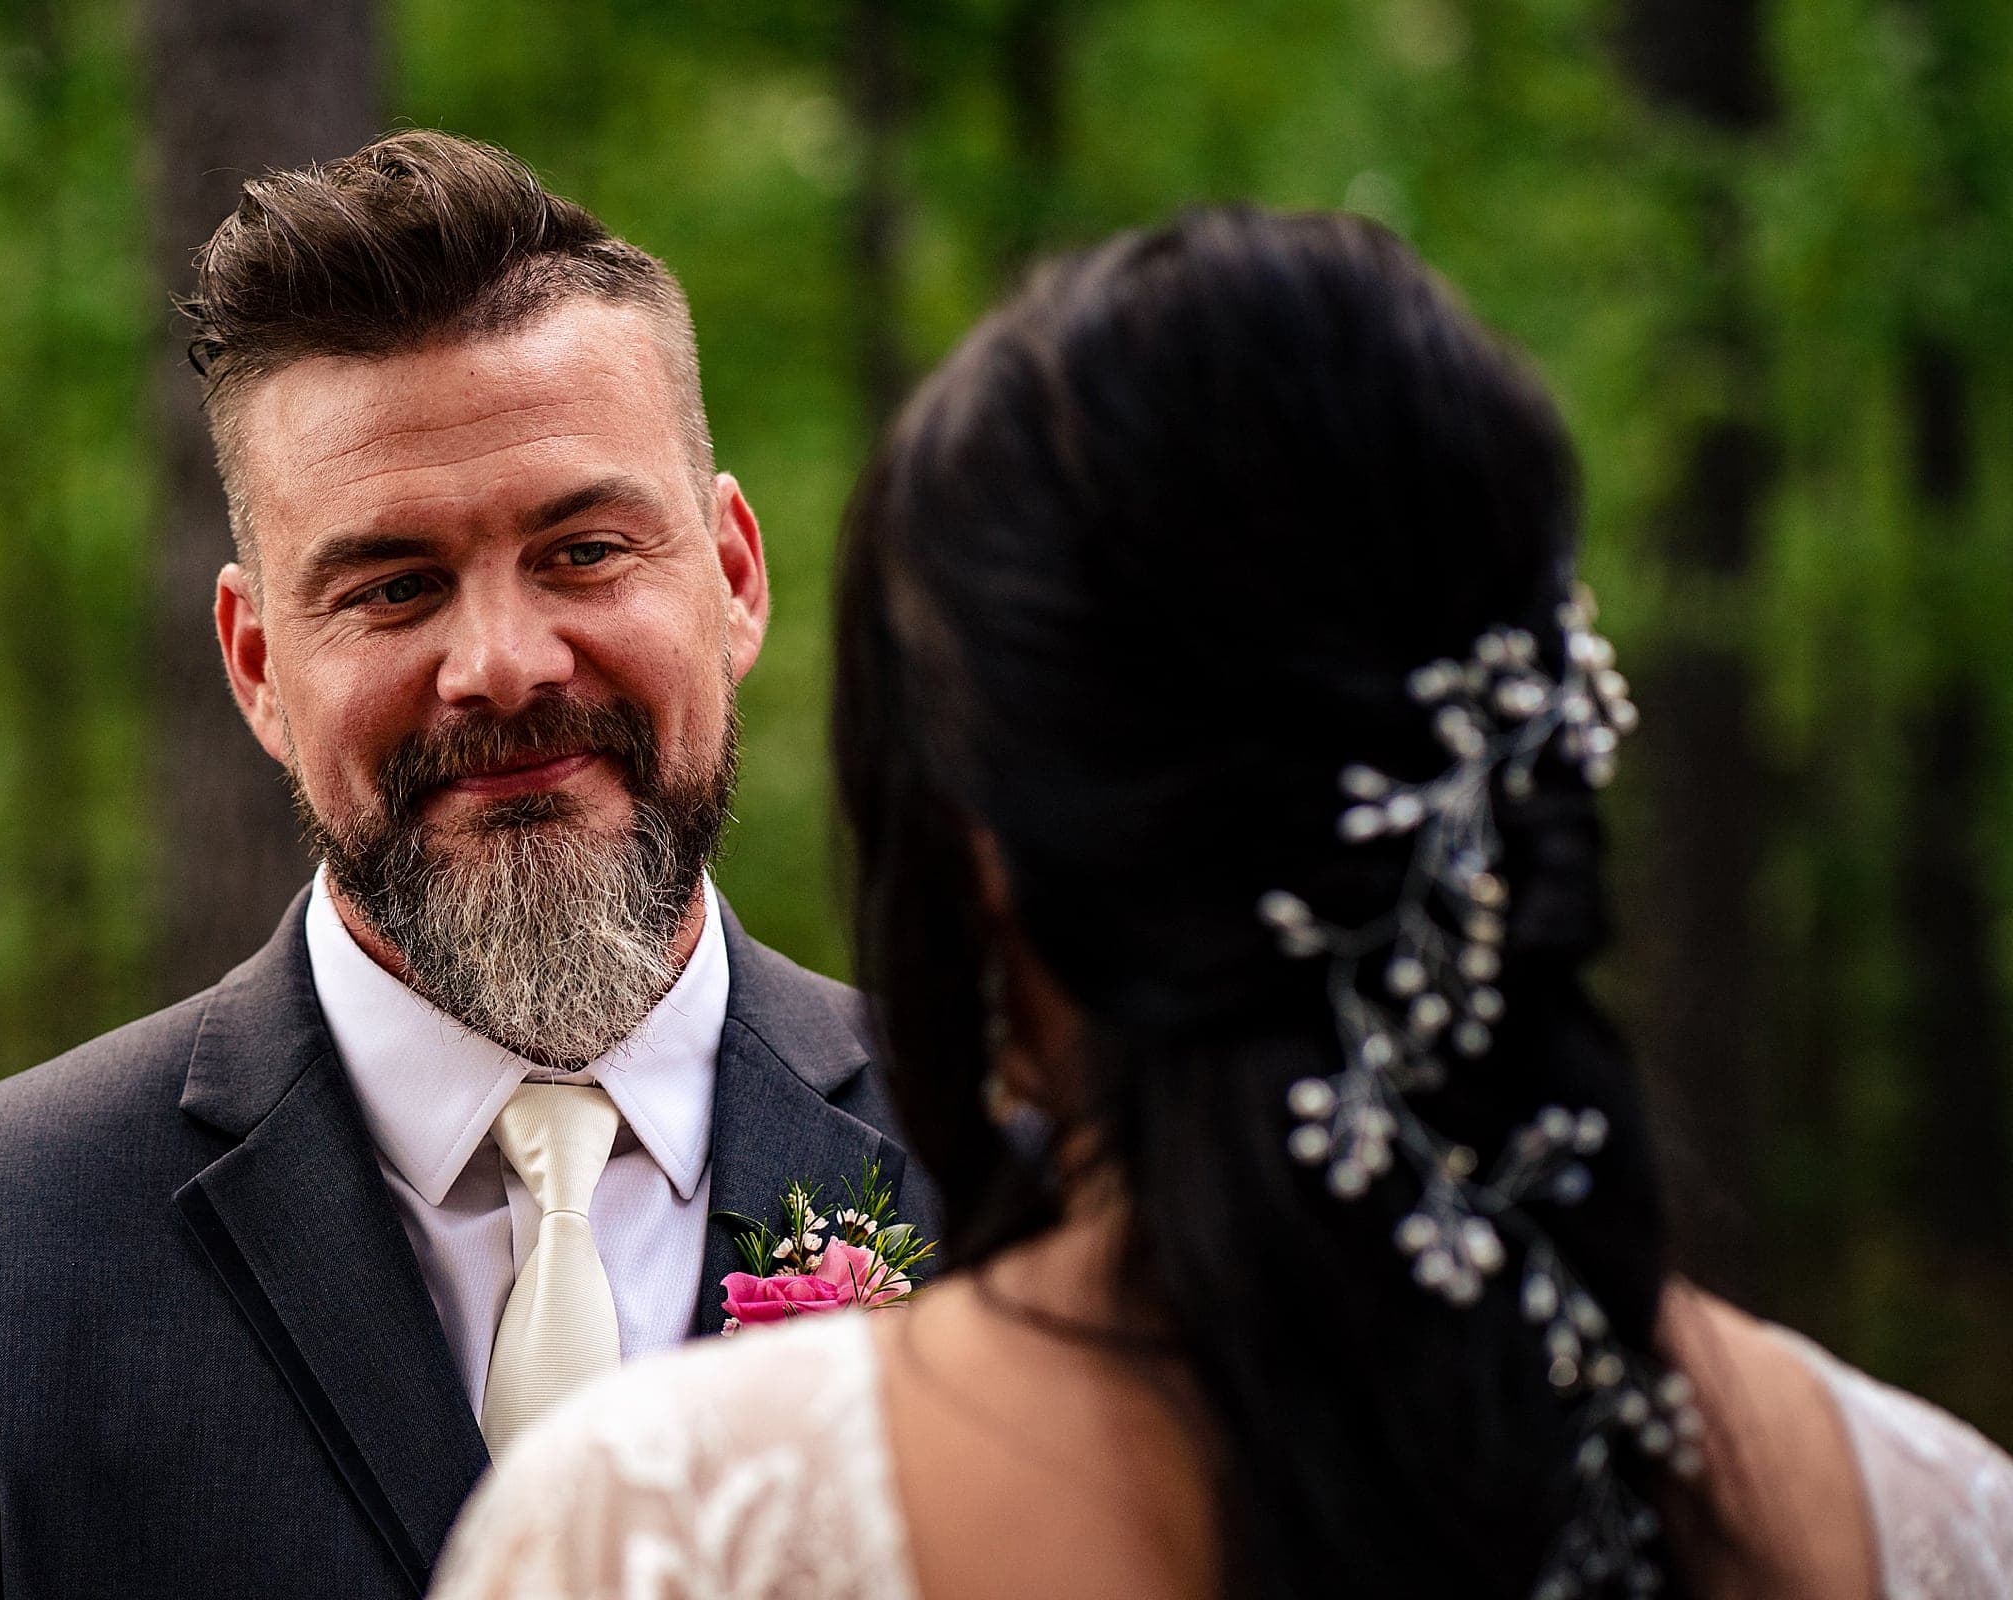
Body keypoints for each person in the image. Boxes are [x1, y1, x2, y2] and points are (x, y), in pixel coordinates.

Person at [429, 210, 2013, 1599]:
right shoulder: (1929, 1517)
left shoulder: (665, 1535)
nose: (501, 662)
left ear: (988, 851)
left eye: (582, 549)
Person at [0, 130, 935, 1599]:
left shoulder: (1039, 1184)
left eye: (584, 551)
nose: (501, 665)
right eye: (394, 587)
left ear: (734, 577)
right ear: (256, 666)